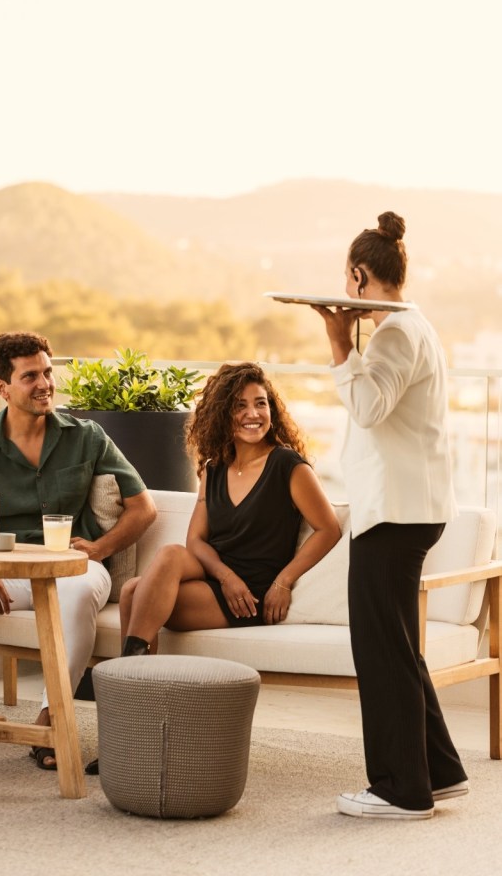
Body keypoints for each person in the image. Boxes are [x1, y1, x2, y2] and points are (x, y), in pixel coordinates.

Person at [0, 331, 156, 770]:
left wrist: (100, 548)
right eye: (30, 376)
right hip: (2, 573)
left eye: (47, 372)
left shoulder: (87, 437)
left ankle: (50, 724)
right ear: (1, 387)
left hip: (69, 567)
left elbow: (144, 508)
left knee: (80, 591)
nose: (45, 383)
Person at [311, 210, 468, 820]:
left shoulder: (398, 333)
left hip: (398, 514)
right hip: (408, 509)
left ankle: (401, 789)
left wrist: (335, 346)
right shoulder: (412, 327)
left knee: (379, 649)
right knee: (397, 645)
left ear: (357, 275)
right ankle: (441, 770)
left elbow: (370, 408)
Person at [117, 361, 341, 656]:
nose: (253, 414)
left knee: (135, 593)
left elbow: (329, 529)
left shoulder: (287, 466)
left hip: (250, 593)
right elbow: (195, 541)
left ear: (271, 411)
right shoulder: (214, 469)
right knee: (157, 566)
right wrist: (225, 577)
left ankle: (127, 682)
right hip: (218, 578)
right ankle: (134, 680)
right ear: (223, 414)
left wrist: (283, 582)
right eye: (240, 406)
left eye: (261, 404)